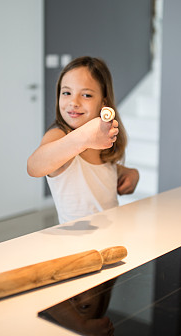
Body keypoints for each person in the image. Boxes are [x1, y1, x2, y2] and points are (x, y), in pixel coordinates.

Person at [27, 56, 139, 224]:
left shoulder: (101, 143)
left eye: (86, 95)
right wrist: (81, 139)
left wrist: (132, 173)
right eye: (66, 93)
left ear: (103, 103)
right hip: (76, 244)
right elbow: (34, 167)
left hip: (112, 235)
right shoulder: (60, 136)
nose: (74, 102)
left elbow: (100, 171)